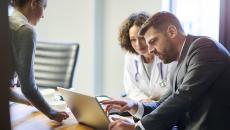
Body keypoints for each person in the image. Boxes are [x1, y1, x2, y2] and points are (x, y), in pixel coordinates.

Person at [102, 11, 230, 130]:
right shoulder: (181, 60)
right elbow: (163, 103)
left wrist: (138, 128)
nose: (150, 49)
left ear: (172, 32)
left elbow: (183, 98)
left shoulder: (204, 48)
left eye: (153, 41)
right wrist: (135, 106)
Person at [9, 0, 69, 122]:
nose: (42, 15)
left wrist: (31, 102)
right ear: (34, 3)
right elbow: (28, 88)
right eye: (44, 7)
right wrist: (52, 113)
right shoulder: (25, 31)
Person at [119, 12, 177, 101]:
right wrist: (145, 101)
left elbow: (172, 88)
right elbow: (131, 88)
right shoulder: (130, 57)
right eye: (133, 40)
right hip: (141, 106)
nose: (138, 44)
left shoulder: (166, 54)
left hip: (166, 106)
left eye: (141, 38)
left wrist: (153, 101)